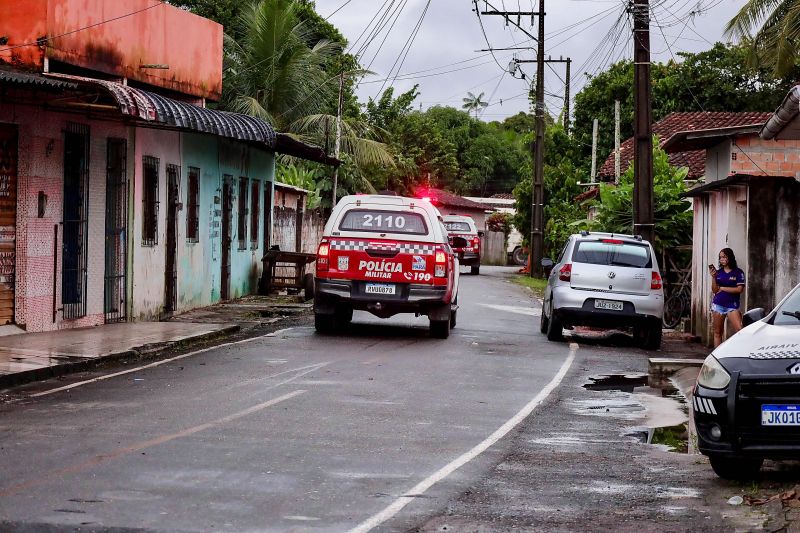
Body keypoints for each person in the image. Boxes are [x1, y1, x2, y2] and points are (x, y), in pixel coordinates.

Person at [709, 248, 745, 348]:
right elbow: (715, 290)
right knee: (717, 332)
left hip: (732, 306)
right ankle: (717, 357)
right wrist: (713, 277)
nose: (722, 259)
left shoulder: (738, 272)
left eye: (724, 257)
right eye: (720, 257)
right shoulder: (718, 273)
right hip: (718, 305)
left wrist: (723, 288)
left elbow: (739, 289)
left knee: (740, 330)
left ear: (730, 257)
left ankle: (740, 352)